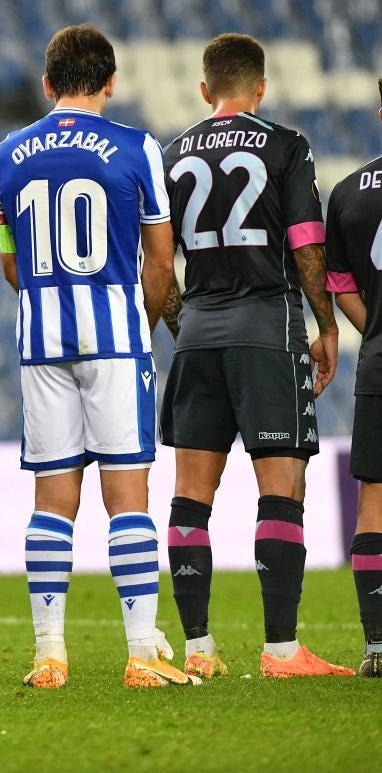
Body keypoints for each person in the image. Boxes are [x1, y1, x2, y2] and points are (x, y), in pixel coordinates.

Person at [0, 24, 193, 689]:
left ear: (48, 84)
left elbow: (11, 265)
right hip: (115, 337)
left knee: (53, 500)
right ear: (109, 82)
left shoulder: (9, 154)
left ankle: (49, 652)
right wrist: (142, 321)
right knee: (127, 497)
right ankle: (141, 652)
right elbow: (160, 259)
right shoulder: (136, 148)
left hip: (41, 342)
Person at [161, 33, 353, 678]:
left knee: (191, 494)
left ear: (204, 89)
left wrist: (184, 326)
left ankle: (197, 649)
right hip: (267, 331)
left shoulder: (170, 153)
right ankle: (280, 650)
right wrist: (326, 327)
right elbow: (305, 242)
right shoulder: (285, 145)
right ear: (261, 88)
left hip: (198, 338)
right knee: (282, 485)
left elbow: (157, 266)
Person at [323, 76, 382, 677]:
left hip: (381, 360)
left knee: (375, 505)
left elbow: (339, 288)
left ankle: (378, 645)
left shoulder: (348, 192)